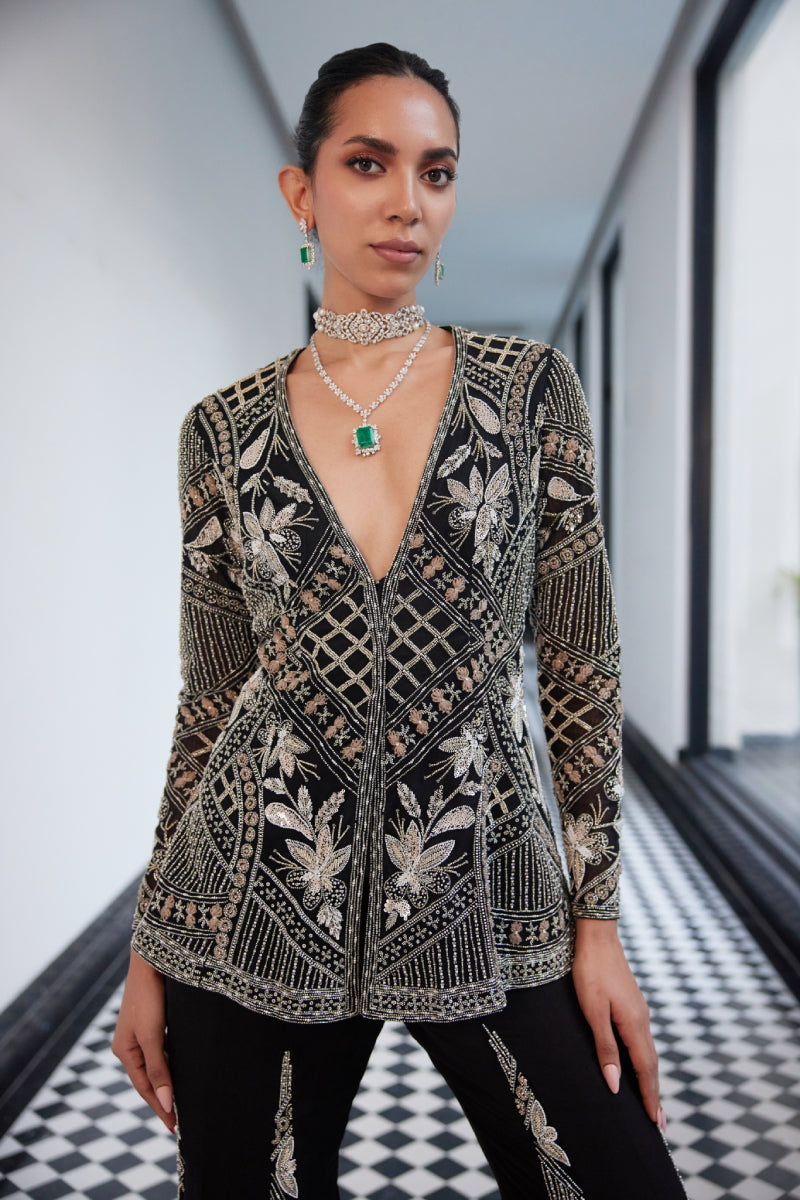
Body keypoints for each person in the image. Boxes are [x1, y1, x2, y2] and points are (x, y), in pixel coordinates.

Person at [112, 42, 687, 1200]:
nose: (406, 202)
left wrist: (598, 924)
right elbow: (210, 701)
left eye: (437, 172)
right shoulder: (220, 432)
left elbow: (580, 662)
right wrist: (148, 942)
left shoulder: (528, 391)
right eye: (368, 163)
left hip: (490, 883)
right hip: (252, 898)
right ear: (302, 190)